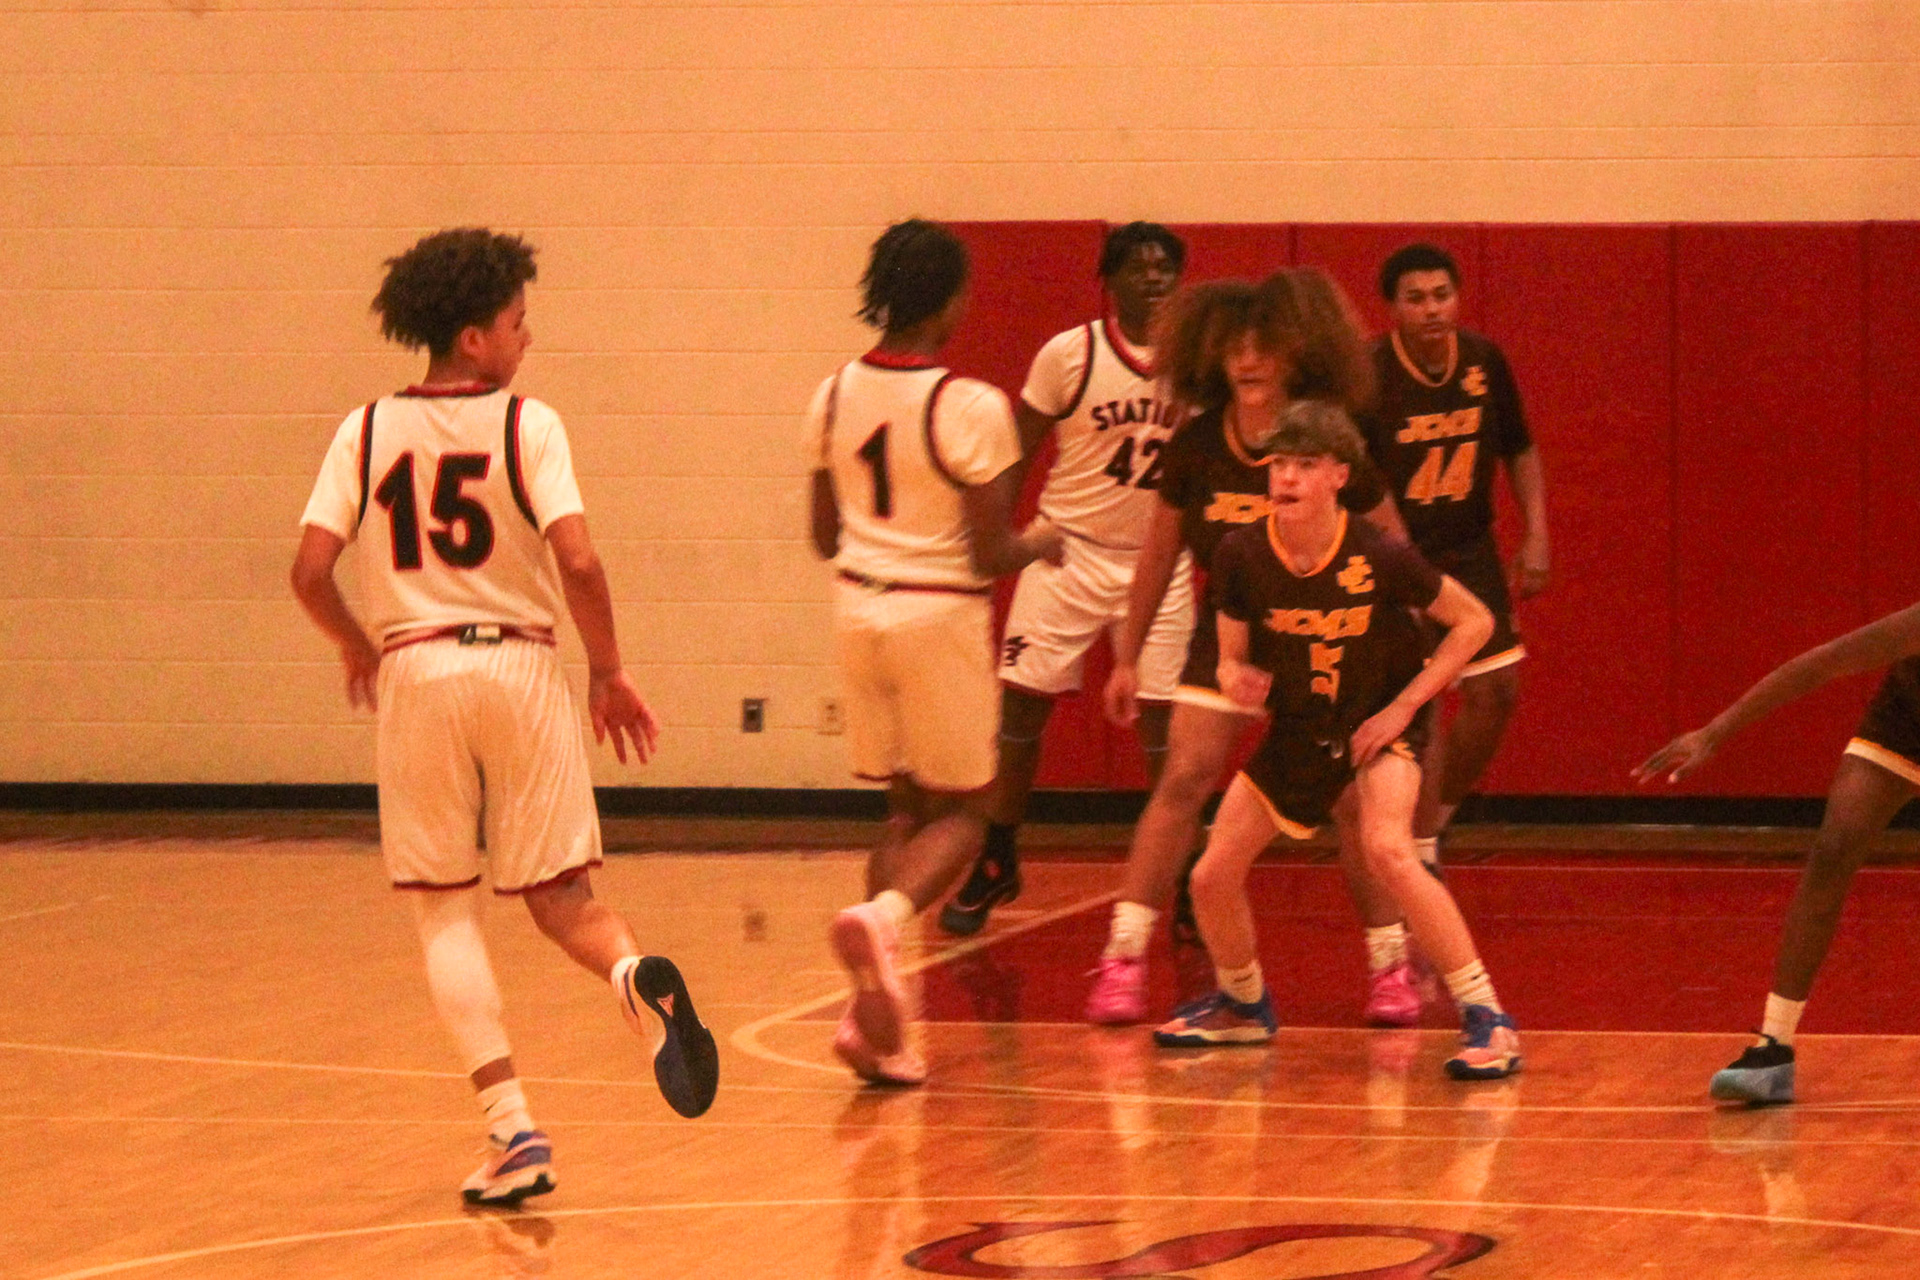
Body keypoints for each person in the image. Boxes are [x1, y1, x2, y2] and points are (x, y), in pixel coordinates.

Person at [290, 228, 718, 1208]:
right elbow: (581, 562)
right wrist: (608, 669)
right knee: (564, 898)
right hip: (521, 664)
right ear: (475, 338)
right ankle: (631, 975)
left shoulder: (364, 431)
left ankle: (511, 1129)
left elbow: (309, 571)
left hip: (417, 669)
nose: (530, 337)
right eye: (519, 322)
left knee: (445, 910)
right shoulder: (531, 424)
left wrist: (356, 644)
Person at [1153, 399, 1521, 1083]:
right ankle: (1244, 1004)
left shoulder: (1377, 553)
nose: (1286, 477)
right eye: (1278, 464)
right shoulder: (1241, 553)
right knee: (1210, 874)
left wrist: (1406, 705)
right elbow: (1228, 656)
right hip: (1302, 726)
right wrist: (1237, 678)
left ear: (1338, 476)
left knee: (1388, 847)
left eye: (1305, 464)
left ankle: (1487, 1016)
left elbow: (1473, 621)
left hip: (1380, 719)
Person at [1093, 270, 1416, 1027]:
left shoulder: (1328, 439)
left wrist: (1394, 655)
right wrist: (1127, 656)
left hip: (1326, 636)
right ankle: (1122, 957)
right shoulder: (1199, 445)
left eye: (1263, 346)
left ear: (1296, 353)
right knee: (1184, 777)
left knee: (1349, 800)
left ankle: (1391, 965)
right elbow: (1158, 555)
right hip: (1232, 634)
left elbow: (1393, 546)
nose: (1247, 360)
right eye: (1234, 347)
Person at [805, 219, 1064, 1086]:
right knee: (972, 810)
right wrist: (1045, 541)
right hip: (937, 616)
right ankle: (883, 919)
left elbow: (823, 534)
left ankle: (877, 1027)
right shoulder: (972, 405)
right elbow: (990, 553)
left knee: (903, 812)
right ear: (951, 299)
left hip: (857, 608)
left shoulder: (832, 394)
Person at [938, 222, 1191, 936]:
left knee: (1167, 730)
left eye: (1165, 267)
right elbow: (1014, 450)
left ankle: (1183, 879)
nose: (1154, 277)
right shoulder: (1069, 354)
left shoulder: (1197, 360)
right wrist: (1002, 537)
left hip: (1156, 560)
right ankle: (998, 856)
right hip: (1066, 550)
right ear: (1108, 280)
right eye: (1138, 266)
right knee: (1020, 709)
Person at [1636, 604, 1920, 1104]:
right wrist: (1714, 732)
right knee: (1834, 848)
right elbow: (1823, 663)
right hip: (1906, 724)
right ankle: (1774, 1048)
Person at [1360, 244, 1549, 863]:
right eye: (1416, 299)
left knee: (1498, 693)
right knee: (1424, 703)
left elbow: (1519, 447)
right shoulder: (1369, 375)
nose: (1432, 309)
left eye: (1442, 295)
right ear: (1393, 308)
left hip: (1470, 549)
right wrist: (1402, 567)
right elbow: (1360, 481)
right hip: (1396, 554)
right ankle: (1418, 852)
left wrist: (1537, 532)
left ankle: (1436, 821)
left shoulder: (1483, 360)